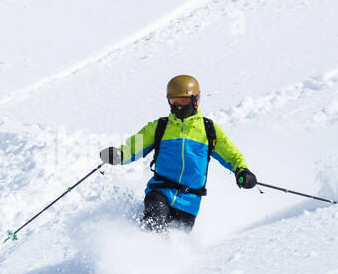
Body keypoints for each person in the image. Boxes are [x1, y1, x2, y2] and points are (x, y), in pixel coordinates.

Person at [99, 74, 257, 231]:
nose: (179, 106)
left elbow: (231, 155)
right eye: (174, 101)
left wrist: (241, 170)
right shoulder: (160, 127)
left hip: (189, 202)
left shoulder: (209, 130)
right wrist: (119, 154)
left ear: (196, 100)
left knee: (174, 243)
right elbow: (133, 148)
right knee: (154, 224)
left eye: (184, 101)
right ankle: (134, 248)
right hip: (160, 191)